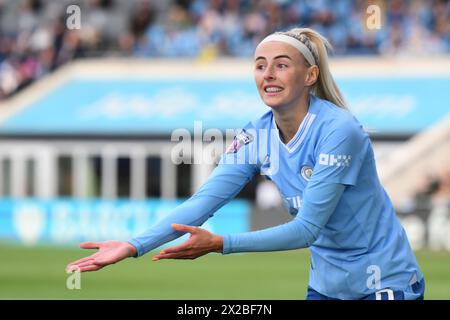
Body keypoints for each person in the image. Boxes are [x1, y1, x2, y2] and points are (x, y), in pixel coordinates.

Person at [67, 27, 425, 300]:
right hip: (327, 285)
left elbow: (306, 230)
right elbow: (202, 203)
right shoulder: (255, 136)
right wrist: (133, 246)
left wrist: (220, 243)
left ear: (310, 76)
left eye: (281, 65)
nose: (268, 74)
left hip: (383, 280)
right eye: (260, 66)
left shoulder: (339, 130)